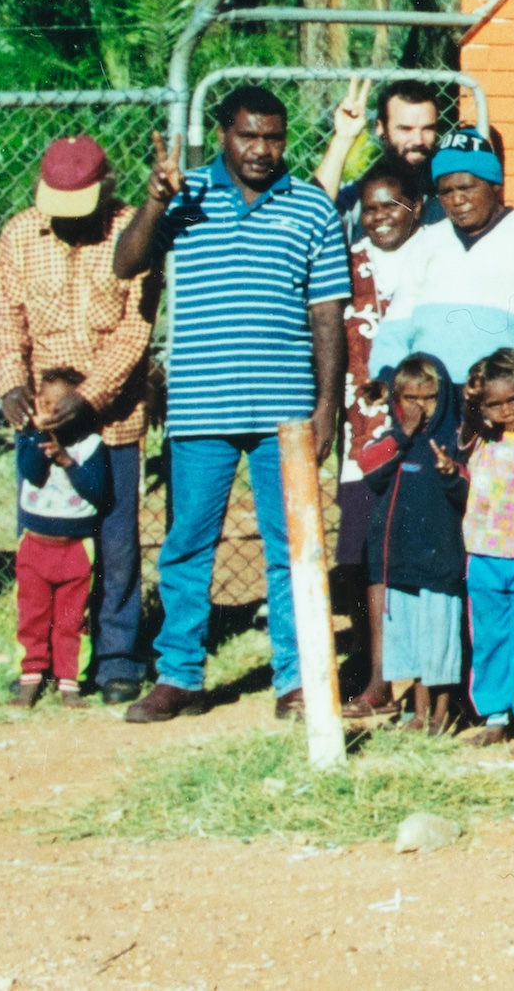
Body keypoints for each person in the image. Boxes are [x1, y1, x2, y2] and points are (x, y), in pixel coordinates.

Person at [114, 88, 349, 723]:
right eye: (248, 136)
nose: (261, 150)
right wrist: (155, 202)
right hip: (200, 405)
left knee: (292, 542)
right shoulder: (184, 193)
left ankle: (297, 680)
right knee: (188, 541)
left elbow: (327, 317)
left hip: (286, 408)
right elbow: (125, 261)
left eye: (273, 137)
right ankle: (180, 675)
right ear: (224, 134)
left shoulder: (311, 208)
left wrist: (327, 406)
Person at [0, 134, 155, 703]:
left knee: (115, 544)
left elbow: (137, 327)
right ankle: (45, 661)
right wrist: (11, 384)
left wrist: (91, 396)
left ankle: (115, 659)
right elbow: (4, 317)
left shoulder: (131, 232)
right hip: (43, 419)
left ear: (106, 190)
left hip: (111, 417)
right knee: (44, 545)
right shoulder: (19, 234)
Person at [370, 129, 514, 380]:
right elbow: (397, 324)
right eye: (446, 192)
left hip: (504, 394)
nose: (457, 200)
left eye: (466, 188)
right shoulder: (429, 241)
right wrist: (387, 374)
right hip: (433, 395)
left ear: (495, 186)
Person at [340, 166, 428, 709]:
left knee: (417, 554)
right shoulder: (349, 262)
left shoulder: (435, 258)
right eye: (369, 209)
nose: (379, 218)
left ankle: (426, 683)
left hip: (422, 427)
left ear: (415, 206)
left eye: (390, 205)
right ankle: (377, 677)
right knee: (360, 554)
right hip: (363, 430)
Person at [358, 354, 469, 731]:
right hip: (401, 562)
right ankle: (417, 712)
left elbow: (467, 489)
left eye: (429, 398)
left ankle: (440, 713)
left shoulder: (454, 440)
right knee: (411, 638)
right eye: (410, 399)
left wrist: (451, 474)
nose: (420, 408)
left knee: (439, 639)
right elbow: (369, 468)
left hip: (440, 561)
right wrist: (402, 433)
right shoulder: (393, 439)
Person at [9, 369, 112, 707]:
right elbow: (32, 475)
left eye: (62, 406)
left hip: (75, 547)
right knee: (32, 615)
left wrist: (67, 461)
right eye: (47, 403)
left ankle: (70, 681)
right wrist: (39, 442)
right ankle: (31, 676)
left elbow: (98, 492)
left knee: (72, 618)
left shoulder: (90, 445)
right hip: (36, 544)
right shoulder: (31, 436)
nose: (53, 411)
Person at [460, 350, 514, 743]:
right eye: (493, 404)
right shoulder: (480, 436)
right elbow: (468, 422)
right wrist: (473, 403)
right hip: (484, 554)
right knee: (491, 634)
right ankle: (496, 715)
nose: (506, 411)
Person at [315, 77, 445, 218]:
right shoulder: (364, 194)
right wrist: (343, 138)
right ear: (380, 128)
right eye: (405, 129)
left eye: (428, 129)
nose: (418, 140)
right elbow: (313, 212)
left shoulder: (449, 190)